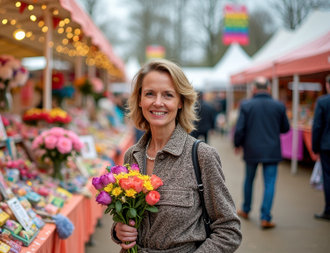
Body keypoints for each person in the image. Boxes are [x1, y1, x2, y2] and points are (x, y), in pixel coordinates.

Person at [112, 59, 241, 252]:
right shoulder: (132, 155)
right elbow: (126, 220)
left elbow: (229, 230)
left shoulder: (202, 156)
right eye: (149, 93)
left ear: (180, 101)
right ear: (139, 100)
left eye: (168, 95)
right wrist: (119, 230)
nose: (157, 102)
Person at [233, 76, 290, 229]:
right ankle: (265, 217)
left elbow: (240, 129)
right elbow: (285, 128)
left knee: (249, 180)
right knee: (270, 183)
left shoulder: (246, 105)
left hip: (251, 149)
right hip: (272, 150)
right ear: (269, 89)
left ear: (254, 89)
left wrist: (237, 144)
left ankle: (245, 209)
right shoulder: (279, 105)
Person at [312, 75, 330, 221]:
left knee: (328, 177)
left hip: (327, 145)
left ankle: (328, 210)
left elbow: (317, 126)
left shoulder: (323, 101)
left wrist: (315, 147)